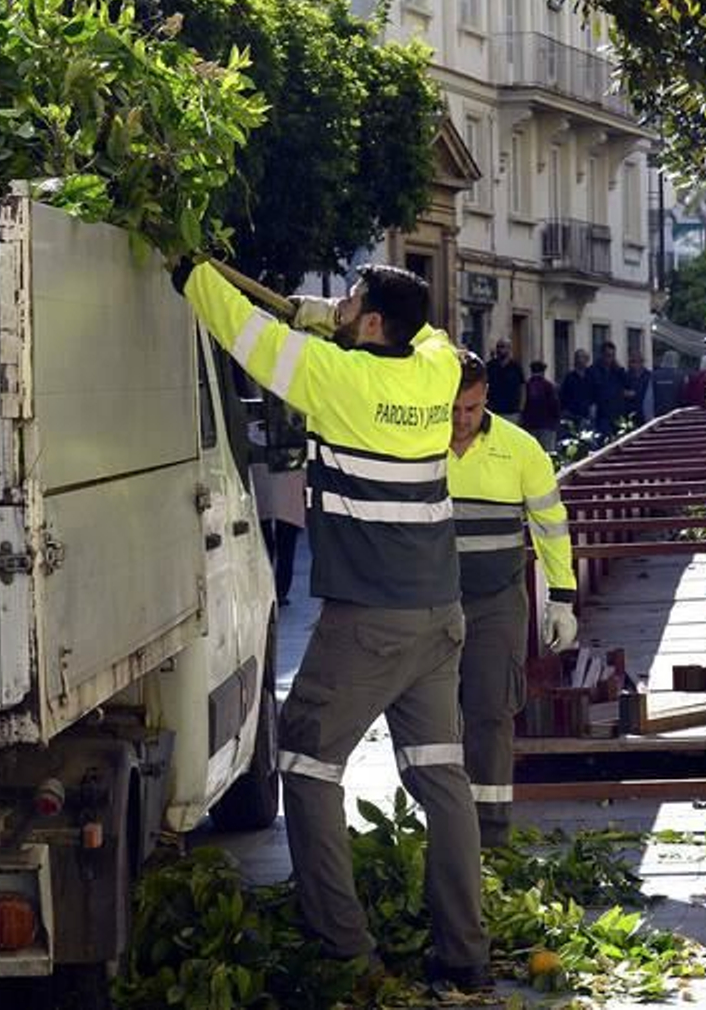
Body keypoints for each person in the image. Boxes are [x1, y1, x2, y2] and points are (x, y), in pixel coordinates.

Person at [172, 258, 491, 993]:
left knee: (307, 767)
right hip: (439, 614)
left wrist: (190, 267)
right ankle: (465, 955)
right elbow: (438, 335)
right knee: (441, 775)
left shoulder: (335, 379)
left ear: (373, 325)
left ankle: (344, 951)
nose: (340, 308)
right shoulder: (435, 372)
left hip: (368, 621)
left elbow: (240, 329)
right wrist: (327, 314)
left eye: (351, 303)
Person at [447, 352, 578, 848]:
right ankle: (447, 830)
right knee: (431, 718)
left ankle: (492, 833)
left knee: (491, 711)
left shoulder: (521, 450)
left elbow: (550, 525)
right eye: (452, 410)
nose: (461, 421)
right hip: (430, 602)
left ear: (488, 402)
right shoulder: (416, 445)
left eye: (472, 409)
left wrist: (561, 598)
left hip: (496, 601)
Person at [250, 435, 306, 604]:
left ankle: (265, 590)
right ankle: (279, 591)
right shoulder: (291, 428)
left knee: (264, 543)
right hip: (289, 477)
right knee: (286, 544)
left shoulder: (249, 425)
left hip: (261, 481)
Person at [587, 341, 633, 434]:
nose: (610, 359)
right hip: (602, 414)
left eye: (612, 356)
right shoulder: (593, 371)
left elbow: (628, 384)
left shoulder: (617, 370)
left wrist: (619, 369)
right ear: (602, 355)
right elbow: (597, 390)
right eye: (608, 355)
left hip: (618, 413)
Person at [519, 360, 561, 451]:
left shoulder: (527, 385)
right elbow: (554, 404)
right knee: (547, 451)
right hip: (547, 425)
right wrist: (556, 419)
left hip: (530, 425)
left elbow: (523, 404)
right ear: (543, 371)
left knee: (532, 451)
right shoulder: (548, 386)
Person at [485, 338, 525, 422]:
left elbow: (522, 387)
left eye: (503, 347)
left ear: (509, 349)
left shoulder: (515, 367)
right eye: (498, 347)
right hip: (493, 410)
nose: (500, 350)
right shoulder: (490, 366)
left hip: (511, 411)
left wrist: (521, 408)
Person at [559, 349, 593, 428]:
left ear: (587, 360)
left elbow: (595, 392)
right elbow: (563, 395)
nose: (580, 360)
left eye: (582, 358)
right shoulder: (570, 377)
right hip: (573, 415)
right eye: (578, 357)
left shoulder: (591, 376)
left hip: (588, 415)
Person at [626, 351, 654, 424]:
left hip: (645, 412)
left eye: (636, 361)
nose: (634, 364)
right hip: (630, 411)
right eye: (632, 362)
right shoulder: (626, 375)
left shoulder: (649, 376)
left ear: (641, 362)